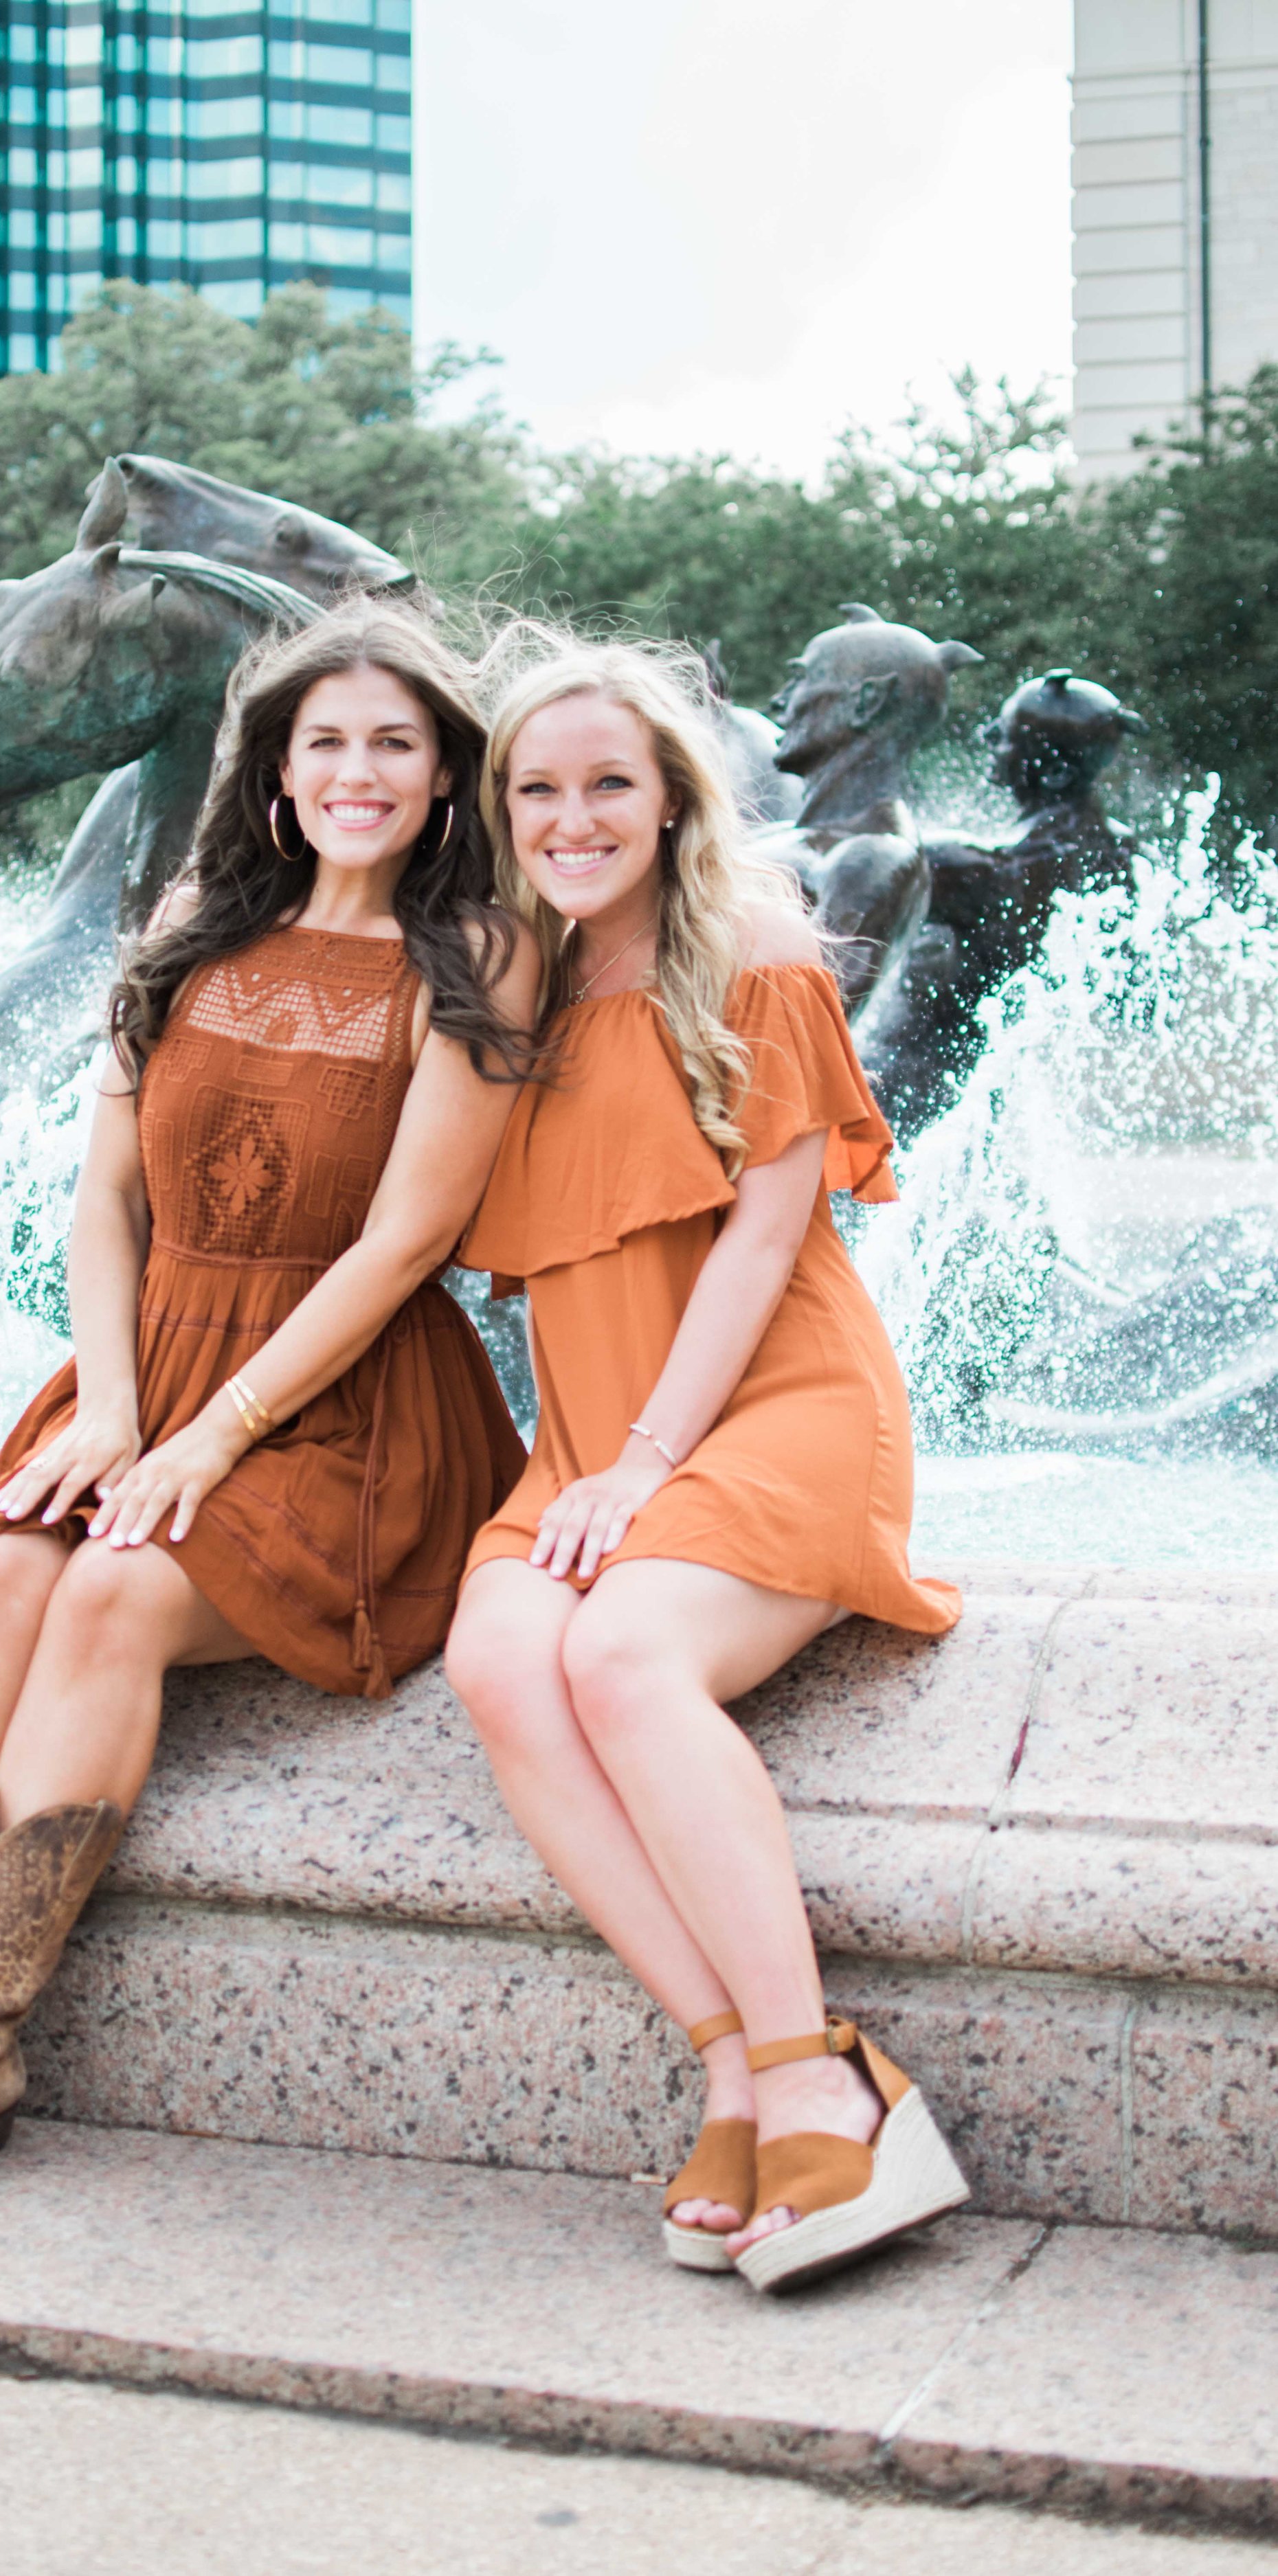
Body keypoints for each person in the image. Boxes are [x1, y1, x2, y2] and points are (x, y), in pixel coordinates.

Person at [0, 599, 537, 2200]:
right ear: (279, 775)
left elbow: (403, 1245)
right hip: (142, 1363)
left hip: (345, 1400)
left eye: (394, 744)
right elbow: (103, 1208)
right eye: (326, 745)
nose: (357, 772)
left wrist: (210, 1437)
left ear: (444, 778)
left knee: (104, 1601)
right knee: (9, 1574)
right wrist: (107, 1415)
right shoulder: (189, 926)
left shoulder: (480, 956)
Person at [445, 635, 965, 2294]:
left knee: (617, 1649)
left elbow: (761, 1238)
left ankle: (823, 2073)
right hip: (592, 1434)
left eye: (609, 782)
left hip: (772, 1403)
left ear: (670, 796)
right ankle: (731, 2057)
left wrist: (643, 1467)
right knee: (499, 1663)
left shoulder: (747, 941)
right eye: (537, 788)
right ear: (500, 807)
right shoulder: (507, 976)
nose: (572, 815)